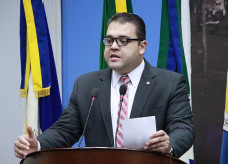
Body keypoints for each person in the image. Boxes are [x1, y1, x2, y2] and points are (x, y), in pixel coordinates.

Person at [14, 13, 194, 159]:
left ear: (142, 46)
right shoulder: (86, 85)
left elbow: (183, 129)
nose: (114, 46)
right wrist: (37, 144)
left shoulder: (169, 83)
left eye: (123, 40)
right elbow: (65, 129)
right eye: (109, 40)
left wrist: (169, 144)